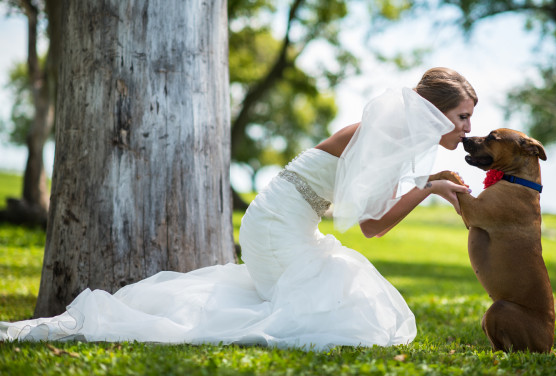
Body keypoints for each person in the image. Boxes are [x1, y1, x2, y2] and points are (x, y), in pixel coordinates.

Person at [0, 67, 477, 351]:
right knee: (345, 307)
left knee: (340, 295)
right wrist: (429, 188)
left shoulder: (388, 137)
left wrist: (426, 185)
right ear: (435, 114)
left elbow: (369, 211)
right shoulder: (383, 139)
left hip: (283, 221)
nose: (468, 127)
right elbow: (372, 227)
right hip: (277, 228)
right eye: (462, 116)